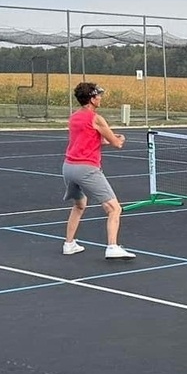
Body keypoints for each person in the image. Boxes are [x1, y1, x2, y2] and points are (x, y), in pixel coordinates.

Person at [62, 82, 135, 259]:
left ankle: (69, 244)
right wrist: (120, 138)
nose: (100, 98)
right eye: (98, 96)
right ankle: (112, 247)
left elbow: (88, 139)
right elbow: (116, 143)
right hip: (86, 168)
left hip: (68, 167)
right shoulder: (96, 118)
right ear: (92, 99)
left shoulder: (74, 117)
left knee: (79, 205)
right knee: (114, 208)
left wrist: (108, 139)